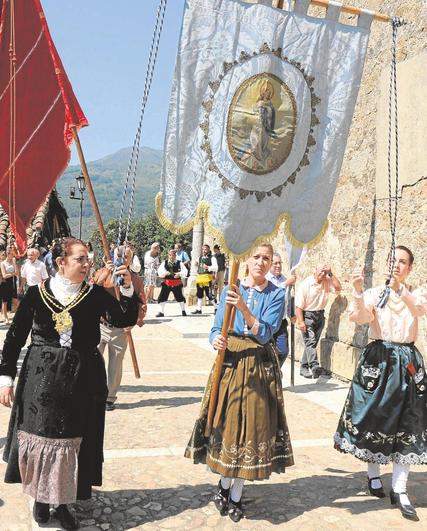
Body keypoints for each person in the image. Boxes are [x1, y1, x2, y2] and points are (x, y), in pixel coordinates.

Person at [0, 237, 138, 529]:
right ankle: (40, 497)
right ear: (61, 262)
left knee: (72, 440)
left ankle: (62, 503)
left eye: (88, 259)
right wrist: (5, 379)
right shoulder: (37, 295)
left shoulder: (95, 294)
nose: (87, 264)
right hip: (41, 378)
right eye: (81, 259)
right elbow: (14, 339)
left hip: (82, 379)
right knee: (42, 439)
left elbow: (125, 317)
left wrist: (126, 286)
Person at [185, 243, 294, 522]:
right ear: (247, 260)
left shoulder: (276, 294)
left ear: (271, 264)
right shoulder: (229, 289)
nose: (260, 262)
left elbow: (265, 333)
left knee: (253, 429)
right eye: (256, 257)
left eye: (266, 259)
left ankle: (236, 494)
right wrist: (215, 339)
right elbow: (215, 326)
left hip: (258, 365)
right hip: (230, 362)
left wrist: (244, 309)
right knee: (228, 424)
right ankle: (223, 484)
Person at [334, 246, 427, 522]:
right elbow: (359, 317)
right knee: (376, 419)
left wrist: (402, 289)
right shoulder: (376, 294)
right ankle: (373, 474)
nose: (396, 266)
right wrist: (358, 291)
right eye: (393, 261)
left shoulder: (418, 293)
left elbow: (419, 310)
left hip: (408, 360)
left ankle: (400, 489)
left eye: (402, 262)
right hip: (380, 359)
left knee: (408, 423)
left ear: (409, 268)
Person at [95, 245, 147, 411]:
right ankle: (93, 393)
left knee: (116, 364)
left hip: (121, 329)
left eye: (126, 257)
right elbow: (91, 290)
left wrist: (132, 322)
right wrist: (105, 273)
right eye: (119, 256)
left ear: (130, 260)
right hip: (100, 325)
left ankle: (109, 398)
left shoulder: (135, 280)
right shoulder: (101, 273)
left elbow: (141, 304)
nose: (122, 259)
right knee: (93, 360)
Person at [295, 264, 342, 378]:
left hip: (320, 315)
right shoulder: (306, 284)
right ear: (314, 270)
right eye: (321, 271)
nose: (323, 274)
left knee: (311, 343)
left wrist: (331, 274)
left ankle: (304, 367)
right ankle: (315, 367)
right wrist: (301, 321)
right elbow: (298, 306)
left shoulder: (326, 280)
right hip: (307, 315)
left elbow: (338, 288)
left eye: (325, 272)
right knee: (310, 342)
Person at [266, 252, 296, 366]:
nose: (278, 266)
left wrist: (290, 314)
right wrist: (286, 284)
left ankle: (275, 371)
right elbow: (273, 293)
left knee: (283, 351)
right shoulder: (266, 279)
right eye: (275, 263)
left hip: (281, 322)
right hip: (268, 321)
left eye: (280, 263)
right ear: (269, 264)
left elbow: (286, 300)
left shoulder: (284, 278)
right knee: (267, 351)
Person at [156, 248, 187, 317]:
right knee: (162, 297)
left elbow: (185, 271)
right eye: (170, 255)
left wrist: (179, 274)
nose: (171, 256)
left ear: (175, 255)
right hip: (167, 283)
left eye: (173, 255)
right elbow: (160, 271)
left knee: (180, 297)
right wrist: (165, 273)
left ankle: (183, 311)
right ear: (168, 255)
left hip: (177, 283)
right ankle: (161, 312)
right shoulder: (164, 263)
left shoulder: (180, 263)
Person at [191, 244, 218, 315]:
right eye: (203, 249)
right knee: (199, 294)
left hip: (207, 278)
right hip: (199, 278)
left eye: (205, 249)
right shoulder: (200, 257)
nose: (204, 251)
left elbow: (216, 267)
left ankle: (216, 308)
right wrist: (196, 264)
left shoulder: (212, 258)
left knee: (209, 294)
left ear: (209, 250)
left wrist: (208, 267)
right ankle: (199, 309)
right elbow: (196, 263)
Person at [0, 246, 19, 324]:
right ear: (7, 254)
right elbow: (4, 275)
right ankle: (6, 318)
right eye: (11, 254)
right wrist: (13, 273)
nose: (12, 255)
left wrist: (14, 263)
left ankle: (16, 317)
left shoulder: (14, 261)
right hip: (5, 283)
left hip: (13, 282)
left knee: (15, 300)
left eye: (13, 254)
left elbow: (17, 273)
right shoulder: (2, 263)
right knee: (5, 301)